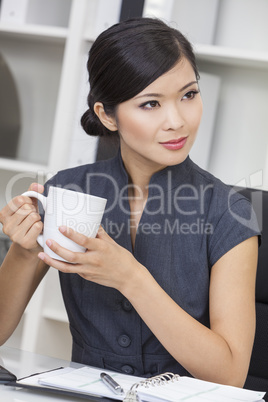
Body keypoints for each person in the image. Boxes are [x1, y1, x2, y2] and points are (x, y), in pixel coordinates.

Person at [0, 17, 260, 386]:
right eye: (151, 103)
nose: (177, 121)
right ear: (107, 115)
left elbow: (230, 375)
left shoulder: (230, 213)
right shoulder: (68, 193)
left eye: (188, 94)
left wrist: (131, 278)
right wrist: (23, 251)